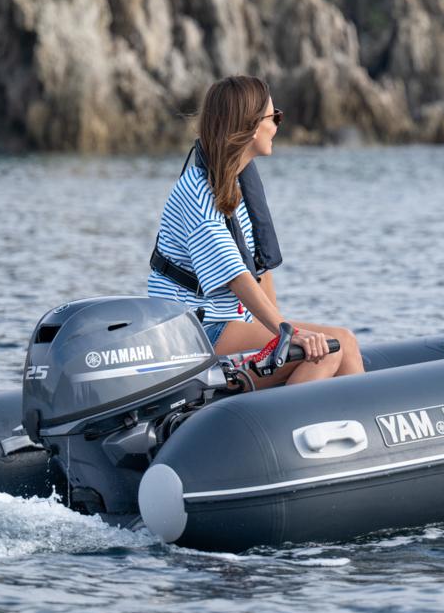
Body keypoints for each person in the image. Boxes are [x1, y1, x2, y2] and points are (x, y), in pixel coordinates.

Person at [147, 75, 364, 387]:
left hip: (226, 326)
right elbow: (236, 277)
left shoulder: (237, 185)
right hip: (192, 335)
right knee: (331, 348)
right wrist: (287, 332)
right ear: (248, 125)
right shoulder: (197, 193)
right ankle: (285, 417)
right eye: (274, 117)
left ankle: (357, 419)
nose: (277, 126)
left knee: (343, 343)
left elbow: (259, 271)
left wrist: (282, 334)